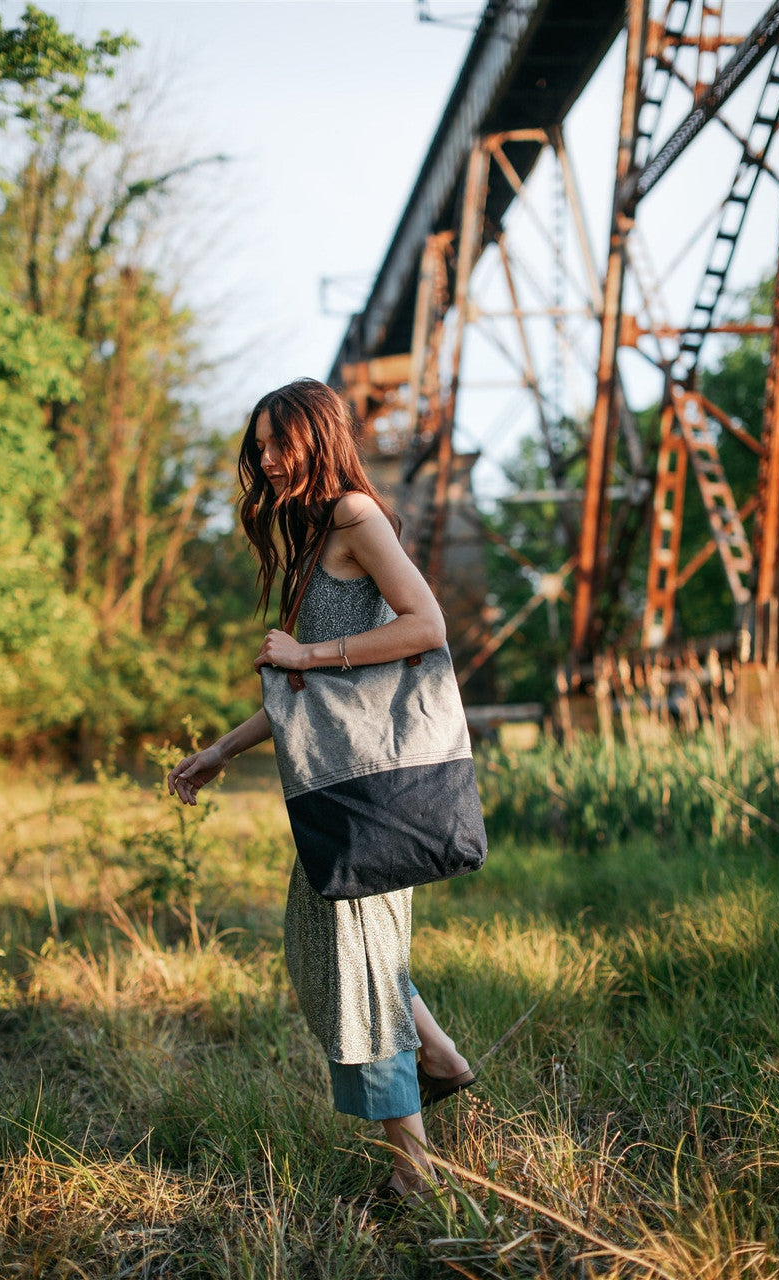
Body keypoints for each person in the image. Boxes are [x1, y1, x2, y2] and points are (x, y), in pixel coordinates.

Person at [168, 378, 476, 1201]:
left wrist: (305, 657)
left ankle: (418, 1183)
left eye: (279, 442)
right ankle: (438, 1059)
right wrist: (222, 750)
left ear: (319, 437)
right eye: (258, 445)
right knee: (330, 954)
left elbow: (425, 626)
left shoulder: (354, 516)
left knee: (357, 973)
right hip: (337, 788)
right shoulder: (317, 532)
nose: (264, 459)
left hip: (366, 791)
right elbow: (302, 687)